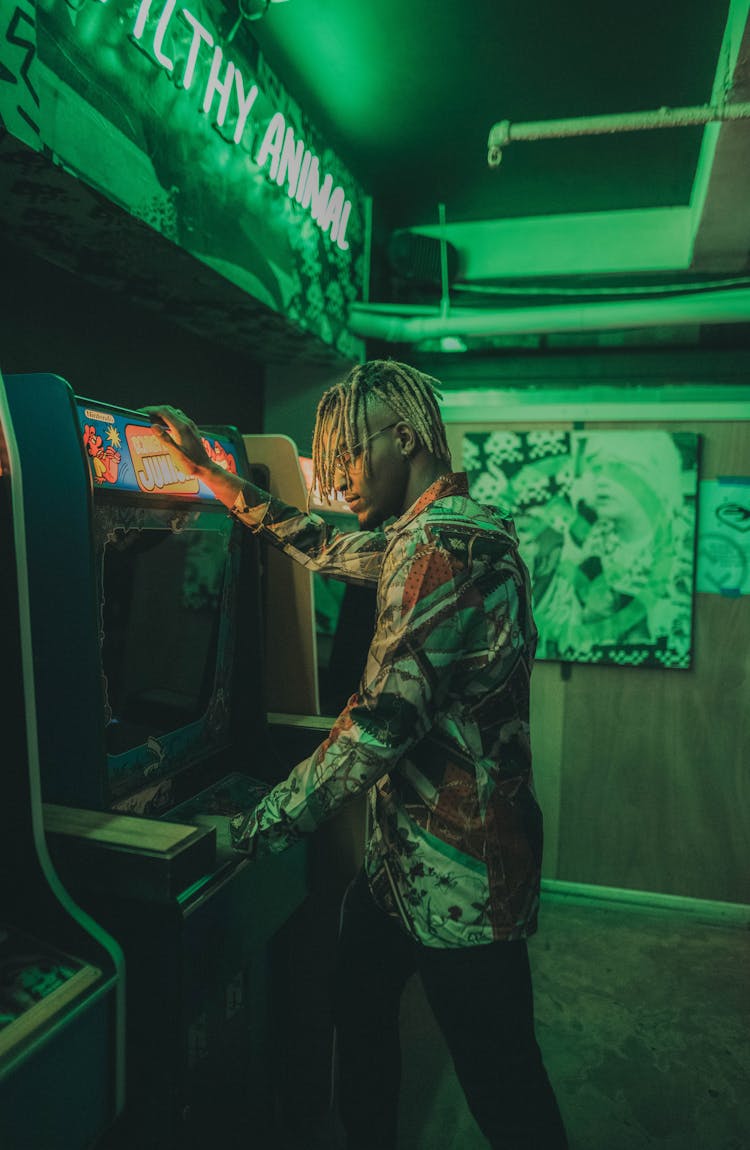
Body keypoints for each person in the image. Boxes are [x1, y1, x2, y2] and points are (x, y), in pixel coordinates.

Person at [144, 359, 568, 1150]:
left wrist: (249, 828)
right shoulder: (446, 529)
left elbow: (376, 729)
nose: (338, 477)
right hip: (405, 876)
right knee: (360, 1013)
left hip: (461, 891)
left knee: (507, 1091)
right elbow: (326, 545)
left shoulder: (441, 550)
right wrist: (214, 477)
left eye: (348, 453)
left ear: (404, 437)